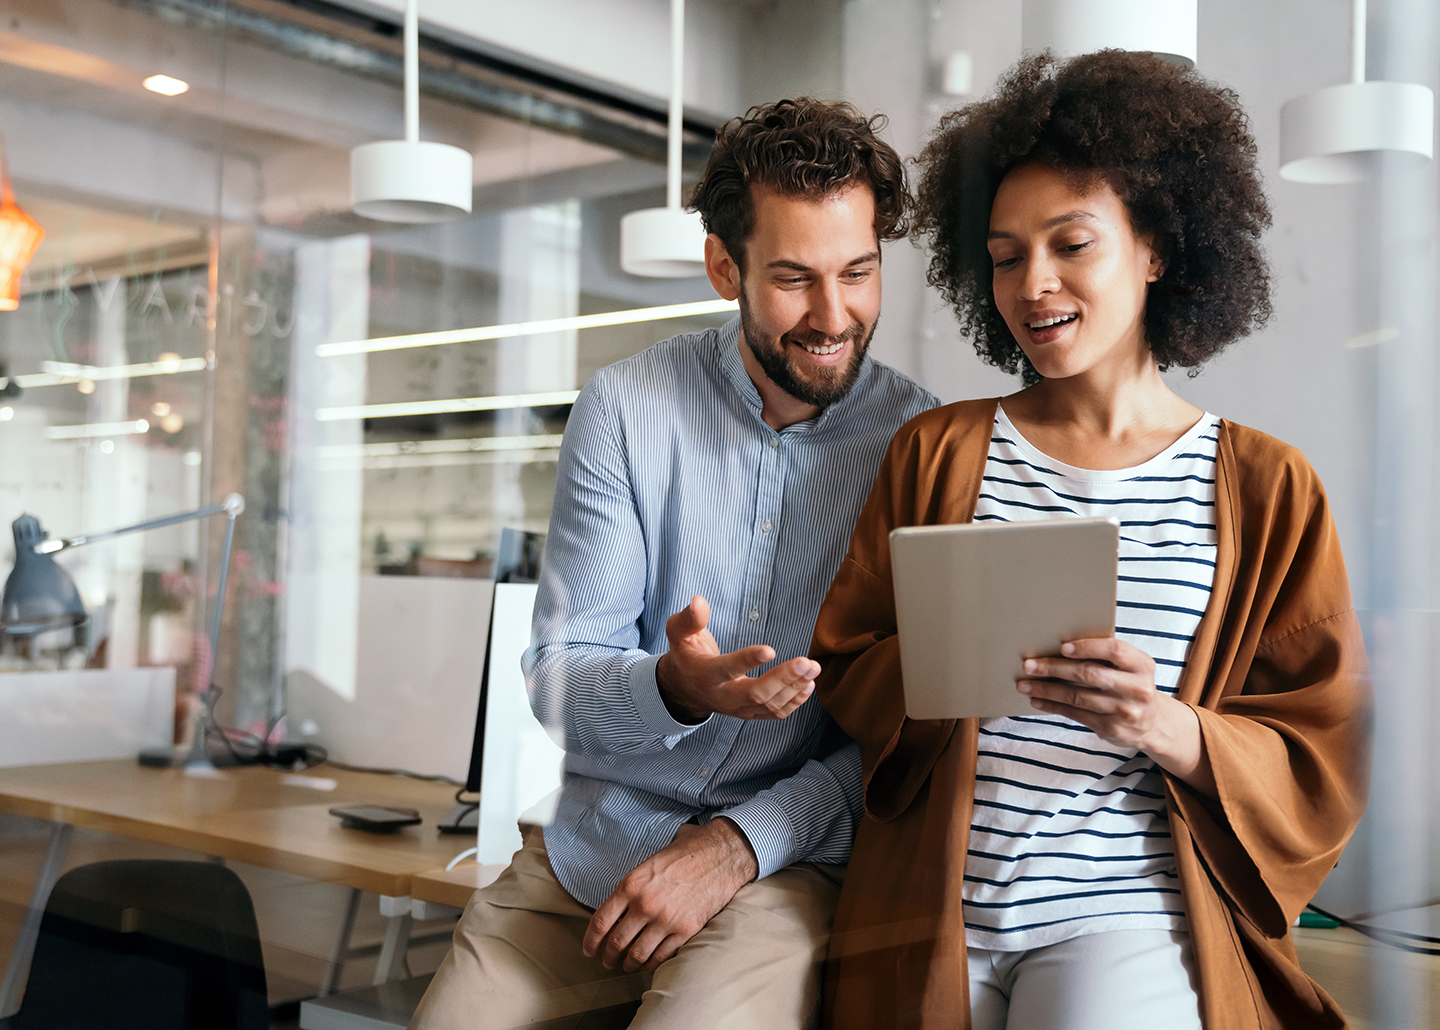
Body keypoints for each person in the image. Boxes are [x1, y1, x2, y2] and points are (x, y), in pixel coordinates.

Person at [809, 52, 1372, 1030]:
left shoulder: (1265, 487)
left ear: (1158, 248)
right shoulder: (939, 449)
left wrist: (1169, 725)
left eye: (1072, 244)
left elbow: (1322, 738)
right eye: (1006, 254)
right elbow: (848, 660)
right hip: (929, 908)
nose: (1034, 284)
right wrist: (943, 662)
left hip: (1123, 916)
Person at [410, 97, 937, 1030]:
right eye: (792, 278)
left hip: (782, 863)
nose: (833, 314)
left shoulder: (922, 445)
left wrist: (737, 843)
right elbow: (558, 681)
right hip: (592, 852)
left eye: (858, 272)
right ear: (723, 267)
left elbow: (910, 738)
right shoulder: (624, 408)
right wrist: (676, 687)